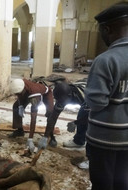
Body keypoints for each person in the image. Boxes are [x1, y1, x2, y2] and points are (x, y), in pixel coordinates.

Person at [84, 2, 128, 189]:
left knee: (102, 183)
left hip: (105, 138)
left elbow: (96, 102)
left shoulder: (106, 59)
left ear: (107, 29)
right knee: (122, 182)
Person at [37, 80, 90, 150]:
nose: (61, 103)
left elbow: (92, 115)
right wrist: (46, 137)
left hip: (101, 101)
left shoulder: (86, 96)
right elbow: (52, 118)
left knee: (84, 115)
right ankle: (80, 140)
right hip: (85, 101)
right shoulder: (62, 95)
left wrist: (76, 123)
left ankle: (82, 141)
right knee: (82, 114)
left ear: (69, 96)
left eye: (62, 101)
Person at [9, 78, 54, 153]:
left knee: (50, 113)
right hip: (27, 93)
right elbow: (20, 96)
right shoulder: (20, 84)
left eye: (18, 93)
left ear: (23, 89)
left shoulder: (34, 94)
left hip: (45, 93)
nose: (17, 95)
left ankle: (49, 135)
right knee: (16, 106)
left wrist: (30, 139)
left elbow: (33, 117)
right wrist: (20, 106)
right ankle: (19, 130)